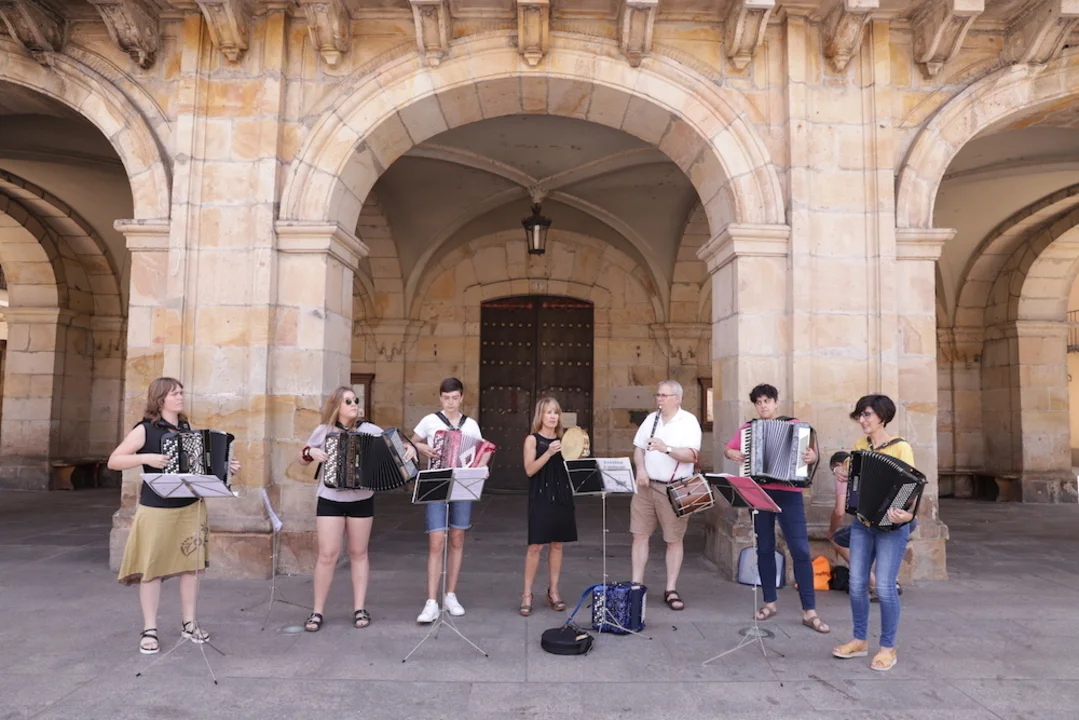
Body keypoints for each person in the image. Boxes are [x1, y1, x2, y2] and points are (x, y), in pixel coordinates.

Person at [111, 377, 241, 654]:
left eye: (181, 392)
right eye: (175, 393)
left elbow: (197, 467)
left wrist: (226, 466)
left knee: (191, 567)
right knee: (152, 569)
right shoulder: (145, 429)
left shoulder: (185, 428)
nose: (181, 397)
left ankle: (189, 623)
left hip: (190, 507)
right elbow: (114, 460)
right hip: (157, 508)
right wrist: (145, 458)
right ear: (160, 399)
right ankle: (150, 629)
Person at [299, 386, 415, 632]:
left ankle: (360, 608)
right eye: (348, 401)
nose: (354, 404)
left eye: (355, 400)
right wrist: (311, 452)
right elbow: (301, 458)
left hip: (362, 498)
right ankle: (317, 611)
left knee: (359, 553)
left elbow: (398, 445)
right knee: (327, 554)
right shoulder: (324, 431)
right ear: (337, 406)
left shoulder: (370, 430)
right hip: (330, 498)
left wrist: (411, 448)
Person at [723, 383, 828, 633]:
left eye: (767, 401)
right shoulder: (748, 429)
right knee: (765, 547)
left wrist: (812, 457)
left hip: (790, 493)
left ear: (776, 402)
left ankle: (810, 611)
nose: (763, 406)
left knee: (800, 550)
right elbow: (729, 448)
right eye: (758, 402)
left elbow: (813, 455)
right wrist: (732, 454)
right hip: (759, 492)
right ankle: (769, 603)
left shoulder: (796, 425)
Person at [832, 394, 916, 672]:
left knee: (884, 587)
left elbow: (912, 488)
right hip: (863, 522)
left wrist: (908, 514)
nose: (862, 420)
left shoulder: (901, 447)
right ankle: (859, 640)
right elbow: (849, 473)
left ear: (883, 416)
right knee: (857, 584)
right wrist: (841, 471)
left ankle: (887, 648)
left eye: (867, 414)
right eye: (860, 415)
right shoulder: (860, 446)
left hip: (891, 526)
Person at [411, 377, 485, 624]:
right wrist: (421, 448)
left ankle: (450, 594)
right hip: (436, 484)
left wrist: (481, 469)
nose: (451, 403)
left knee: (457, 538)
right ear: (440, 398)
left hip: (461, 485)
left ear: (462, 397)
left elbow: (481, 452)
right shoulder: (430, 421)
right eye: (446, 398)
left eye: (455, 398)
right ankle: (431, 601)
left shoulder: (470, 425)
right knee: (436, 541)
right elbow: (411, 443)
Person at [630, 380, 702, 611]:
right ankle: (636, 585)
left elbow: (692, 455)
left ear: (677, 398)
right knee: (639, 535)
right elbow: (639, 448)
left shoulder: (688, 421)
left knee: (673, 540)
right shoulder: (651, 419)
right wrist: (641, 469)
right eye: (658, 395)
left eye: (664, 395)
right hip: (646, 486)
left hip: (674, 489)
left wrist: (666, 448)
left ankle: (670, 588)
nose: (659, 399)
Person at [520, 397, 578, 616]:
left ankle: (553, 591)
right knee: (535, 546)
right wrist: (549, 452)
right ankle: (527, 594)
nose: (553, 416)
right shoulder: (532, 440)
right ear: (541, 416)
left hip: (561, 495)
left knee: (557, 545)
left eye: (556, 412)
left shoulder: (565, 440)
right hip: (541, 496)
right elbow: (529, 470)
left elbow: (572, 467)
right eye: (548, 412)